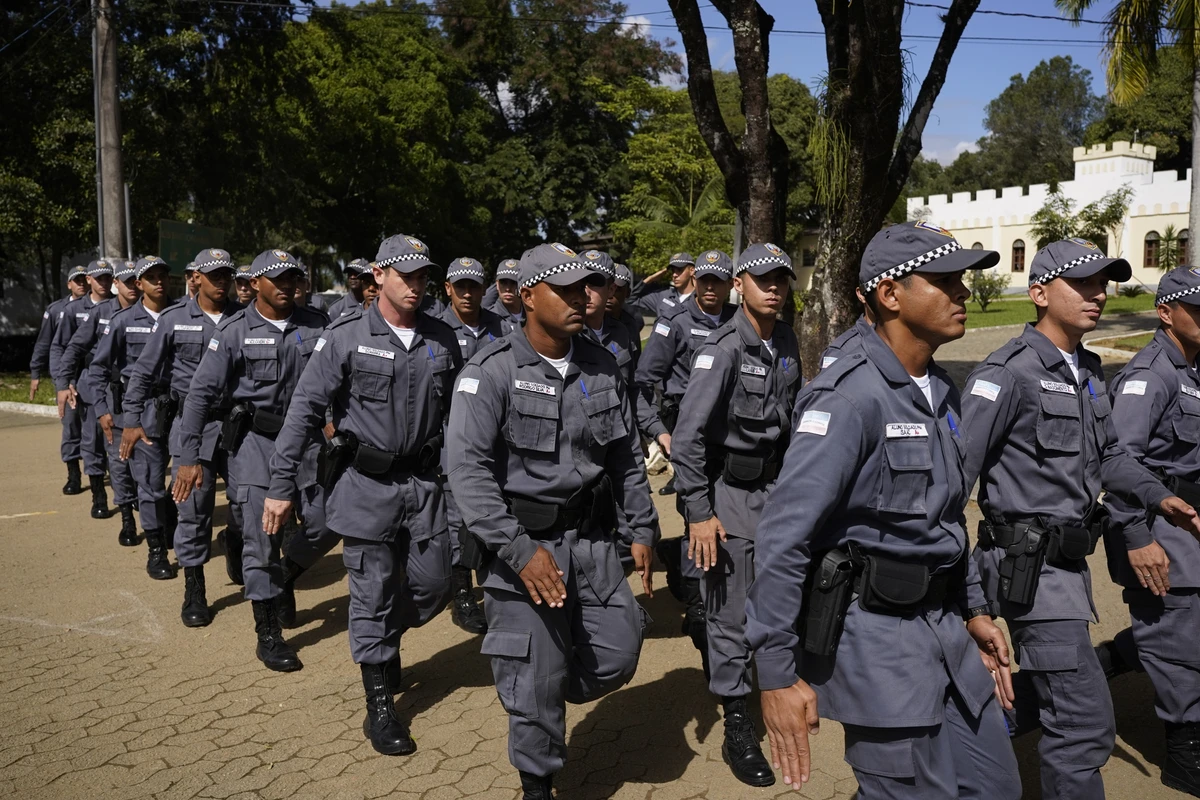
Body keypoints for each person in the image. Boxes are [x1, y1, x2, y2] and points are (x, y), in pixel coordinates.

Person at [747, 221, 1021, 797]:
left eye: (963, 280)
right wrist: (775, 673)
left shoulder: (941, 390)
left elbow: (945, 517)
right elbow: (783, 534)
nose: (964, 293)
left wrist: (973, 607)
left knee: (996, 787)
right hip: (878, 646)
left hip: (945, 633)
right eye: (945, 281)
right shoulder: (847, 396)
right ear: (889, 293)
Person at [961, 238, 1200, 800]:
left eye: (1104, 282)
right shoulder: (1006, 373)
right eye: (1083, 283)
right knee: (1084, 723)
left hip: (1066, 566)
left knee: (1058, 701)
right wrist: (970, 597)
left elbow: (1114, 454)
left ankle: (967, 735)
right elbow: (952, 480)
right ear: (1039, 293)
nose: (1099, 294)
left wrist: (1158, 497)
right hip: (1026, 568)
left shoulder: (1086, 369)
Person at [447, 242, 658, 800]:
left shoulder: (602, 364)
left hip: (590, 544)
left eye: (587, 287)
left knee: (621, 649)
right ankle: (537, 780)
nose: (581, 298)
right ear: (529, 296)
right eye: (565, 289)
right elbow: (466, 473)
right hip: (524, 548)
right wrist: (517, 551)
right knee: (536, 680)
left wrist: (640, 528)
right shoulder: (491, 372)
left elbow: (625, 456)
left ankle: (535, 689)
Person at [265, 234, 461, 754]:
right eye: (406, 276)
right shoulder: (346, 335)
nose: (417, 286)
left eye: (423, 277)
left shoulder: (443, 339)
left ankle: (384, 637)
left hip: (423, 488)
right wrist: (281, 486)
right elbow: (305, 408)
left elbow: (464, 418)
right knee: (371, 593)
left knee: (435, 583)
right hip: (365, 487)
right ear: (379, 275)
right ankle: (379, 705)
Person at [670, 243, 801, 787]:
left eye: (782, 279)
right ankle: (738, 724)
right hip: (730, 496)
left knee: (773, 598)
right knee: (728, 612)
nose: (774, 287)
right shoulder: (721, 349)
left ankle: (772, 684)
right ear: (740, 283)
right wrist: (699, 513)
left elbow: (791, 420)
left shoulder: (786, 340)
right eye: (763, 278)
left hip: (778, 492)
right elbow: (687, 437)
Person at [173, 248, 331, 673]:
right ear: (256, 283)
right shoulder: (233, 331)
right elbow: (200, 395)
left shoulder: (318, 325)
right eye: (275, 278)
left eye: (291, 278)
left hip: (309, 444)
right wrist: (189, 455)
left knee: (325, 521)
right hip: (256, 445)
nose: (285, 285)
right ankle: (268, 634)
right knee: (262, 537)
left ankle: (281, 573)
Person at [1104, 265, 1200, 796]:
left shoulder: (1191, 368)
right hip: (1159, 530)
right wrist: (1138, 539)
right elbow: (1119, 464)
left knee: (1182, 633)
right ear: (1166, 313)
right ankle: (1187, 756)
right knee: (1182, 639)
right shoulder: (1149, 376)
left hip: (1187, 523)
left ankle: (1113, 658)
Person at [120, 249, 243, 624]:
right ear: (197, 278)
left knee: (245, 503)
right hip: (193, 426)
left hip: (239, 427)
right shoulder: (174, 320)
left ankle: (235, 544)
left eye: (227, 275)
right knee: (194, 510)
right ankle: (195, 588)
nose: (221, 281)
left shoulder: (246, 318)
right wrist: (131, 418)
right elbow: (143, 372)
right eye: (214, 275)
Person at [633, 248, 737, 672]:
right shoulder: (674, 323)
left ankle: (685, 562)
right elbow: (641, 385)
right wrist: (660, 432)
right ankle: (698, 604)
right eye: (705, 281)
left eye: (719, 281)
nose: (711, 288)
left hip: (731, 437)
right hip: (687, 436)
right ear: (695, 282)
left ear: (731, 284)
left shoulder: (738, 323)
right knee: (697, 510)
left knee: (728, 518)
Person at [90, 256, 177, 579]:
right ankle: (157, 550)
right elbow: (97, 368)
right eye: (150, 277)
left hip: (181, 408)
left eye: (163, 276)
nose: (158, 282)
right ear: (138, 284)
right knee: (151, 483)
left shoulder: (182, 315)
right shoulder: (124, 320)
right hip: (143, 409)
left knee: (187, 480)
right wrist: (103, 411)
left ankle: (172, 520)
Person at [437, 256, 505, 635]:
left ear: (484, 289)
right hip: (455, 437)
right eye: (459, 286)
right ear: (448, 289)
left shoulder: (504, 327)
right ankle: (462, 594)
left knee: (496, 511)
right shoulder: (437, 330)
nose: (467, 293)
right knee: (458, 517)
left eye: (473, 286)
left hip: (499, 440)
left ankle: (496, 586)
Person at [60, 260, 142, 545]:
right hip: (100, 389)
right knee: (95, 443)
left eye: (136, 280)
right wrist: (63, 384)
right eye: (126, 281)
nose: (132, 286)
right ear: (117, 283)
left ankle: (141, 503)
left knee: (136, 453)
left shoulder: (151, 312)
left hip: (137, 393)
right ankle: (100, 495)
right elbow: (73, 349)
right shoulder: (100, 313)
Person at [52, 259, 115, 519]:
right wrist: (63, 382)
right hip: (85, 380)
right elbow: (60, 347)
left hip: (118, 382)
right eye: (98, 277)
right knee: (89, 439)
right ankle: (97, 493)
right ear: (89, 279)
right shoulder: (74, 309)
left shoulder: (122, 306)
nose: (103, 282)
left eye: (107, 277)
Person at [31, 264, 89, 495]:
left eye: (85, 279)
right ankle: (73, 473)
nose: (82, 284)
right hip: (68, 376)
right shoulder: (57, 310)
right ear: (69, 285)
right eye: (77, 280)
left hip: (93, 375)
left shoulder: (104, 306)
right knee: (71, 425)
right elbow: (46, 344)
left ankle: (100, 468)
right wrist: (37, 373)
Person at [628, 252, 696, 319]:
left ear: (691, 270)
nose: (674, 275)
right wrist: (650, 279)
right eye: (673, 271)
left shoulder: (700, 298)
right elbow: (630, 300)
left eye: (679, 270)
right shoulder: (663, 295)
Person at [607, 263, 643, 359]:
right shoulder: (588, 321)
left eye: (617, 290)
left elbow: (635, 362)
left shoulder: (631, 323)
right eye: (608, 288)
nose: (610, 295)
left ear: (627, 293)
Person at [483, 258, 524, 332]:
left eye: (513, 283)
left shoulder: (532, 314)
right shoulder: (489, 317)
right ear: (497, 285)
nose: (508, 289)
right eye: (503, 283)